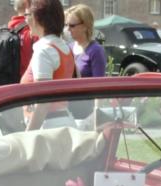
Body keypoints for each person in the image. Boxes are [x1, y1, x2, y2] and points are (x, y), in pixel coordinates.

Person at [20, 0, 74, 128]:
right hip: (61, 121)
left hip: (48, 126)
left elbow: (43, 101)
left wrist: (28, 136)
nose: (25, 20)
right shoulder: (63, 47)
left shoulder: (44, 51)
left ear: (38, 18)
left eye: (27, 15)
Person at [66, 5, 104, 78]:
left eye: (72, 25)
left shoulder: (96, 51)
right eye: (66, 25)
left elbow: (99, 85)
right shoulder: (68, 48)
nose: (68, 29)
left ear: (85, 26)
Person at [8, 0, 40, 80]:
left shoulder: (8, 29)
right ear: (27, 4)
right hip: (28, 83)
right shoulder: (33, 31)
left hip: (9, 82)